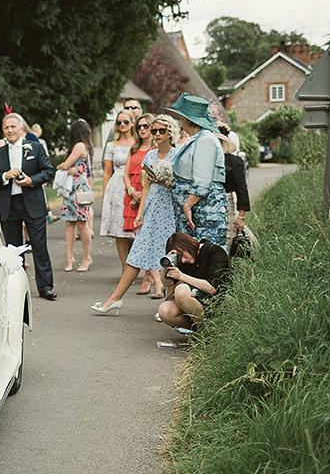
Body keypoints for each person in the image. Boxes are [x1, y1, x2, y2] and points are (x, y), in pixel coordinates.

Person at [91, 114, 180, 314]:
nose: (156, 134)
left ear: (170, 133)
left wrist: (164, 181)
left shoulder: (177, 155)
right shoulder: (149, 155)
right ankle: (114, 299)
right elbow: (145, 185)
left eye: (161, 131)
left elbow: (179, 187)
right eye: (154, 131)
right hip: (151, 208)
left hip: (169, 209)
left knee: (169, 256)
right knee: (137, 253)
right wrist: (140, 213)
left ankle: (168, 303)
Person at [0, 113, 57, 300]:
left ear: (21, 129)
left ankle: (45, 287)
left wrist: (31, 181)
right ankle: (16, 288)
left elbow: (48, 171)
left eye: (13, 127)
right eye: (6, 128)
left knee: (39, 247)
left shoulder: (35, 148)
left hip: (32, 203)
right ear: (3, 131)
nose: (10, 130)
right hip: (8, 205)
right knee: (13, 249)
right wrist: (5, 175)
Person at [167, 93, 228, 246]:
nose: (180, 121)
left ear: (188, 120)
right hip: (195, 209)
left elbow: (203, 181)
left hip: (205, 209)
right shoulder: (197, 138)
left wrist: (187, 205)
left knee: (205, 252)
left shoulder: (206, 139)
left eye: (181, 117)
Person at [156, 231, 230, 331]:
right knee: (164, 311)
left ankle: (207, 332)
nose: (183, 260)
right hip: (194, 301)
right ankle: (200, 329)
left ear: (187, 245)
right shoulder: (181, 260)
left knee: (181, 291)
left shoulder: (214, 252)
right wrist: (167, 263)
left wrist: (182, 276)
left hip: (215, 301)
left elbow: (212, 288)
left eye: (182, 255)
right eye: (179, 257)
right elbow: (167, 283)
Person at [124, 113, 157, 293]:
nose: (142, 129)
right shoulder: (133, 148)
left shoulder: (158, 149)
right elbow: (125, 174)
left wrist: (143, 194)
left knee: (147, 239)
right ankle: (152, 279)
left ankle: (152, 279)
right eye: (139, 127)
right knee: (140, 237)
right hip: (132, 194)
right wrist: (131, 191)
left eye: (146, 126)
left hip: (149, 194)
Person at [55, 119, 94, 272]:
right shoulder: (82, 146)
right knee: (69, 223)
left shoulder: (79, 146)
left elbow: (64, 165)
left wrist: (62, 166)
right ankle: (69, 258)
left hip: (78, 188)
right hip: (72, 188)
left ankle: (86, 257)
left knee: (81, 224)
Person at [100, 110, 136, 272]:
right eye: (119, 122)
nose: (122, 125)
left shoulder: (138, 143)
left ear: (132, 123)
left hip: (135, 184)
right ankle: (125, 267)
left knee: (136, 229)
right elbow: (107, 172)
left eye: (126, 122)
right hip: (116, 187)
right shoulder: (111, 145)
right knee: (120, 231)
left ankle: (144, 270)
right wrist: (104, 195)